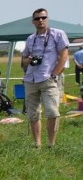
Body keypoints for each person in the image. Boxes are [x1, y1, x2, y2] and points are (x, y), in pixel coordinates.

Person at [20, 8, 69, 148]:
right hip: (31, 79)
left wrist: (54, 74)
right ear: (33, 22)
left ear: (47, 18)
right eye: (37, 18)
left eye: (43, 17)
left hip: (48, 78)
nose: (40, 20)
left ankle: (51, 144)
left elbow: (64, 56)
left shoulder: (58, 34)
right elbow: (23, 60)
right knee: (32, 114)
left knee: (52, 112)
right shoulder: (30, 38)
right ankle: (37, 144)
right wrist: (27, 60)